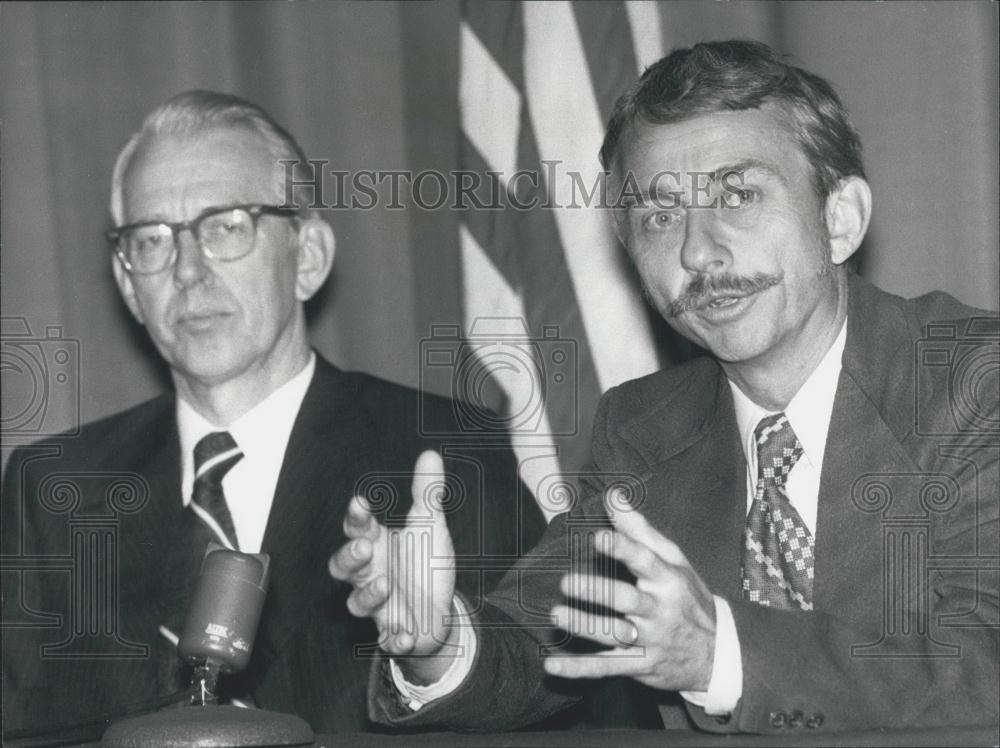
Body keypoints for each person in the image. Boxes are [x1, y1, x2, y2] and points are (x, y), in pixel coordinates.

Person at [330, 40, 999, 734]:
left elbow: (987, 665)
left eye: (737, 195)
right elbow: (542, 637)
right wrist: (443, 642)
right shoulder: (646, 427)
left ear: (840, 219)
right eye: (658, 215)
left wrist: (721, 656)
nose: (696, 251)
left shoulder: (974, 381)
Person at [1, 90, 546, 737]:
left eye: (226, 226)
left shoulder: (446, 453)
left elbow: (551, 696)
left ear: (308, 258)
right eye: (152, 240)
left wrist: (438, 650)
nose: (187, 271)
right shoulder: (55, 488)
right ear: (128, 285)